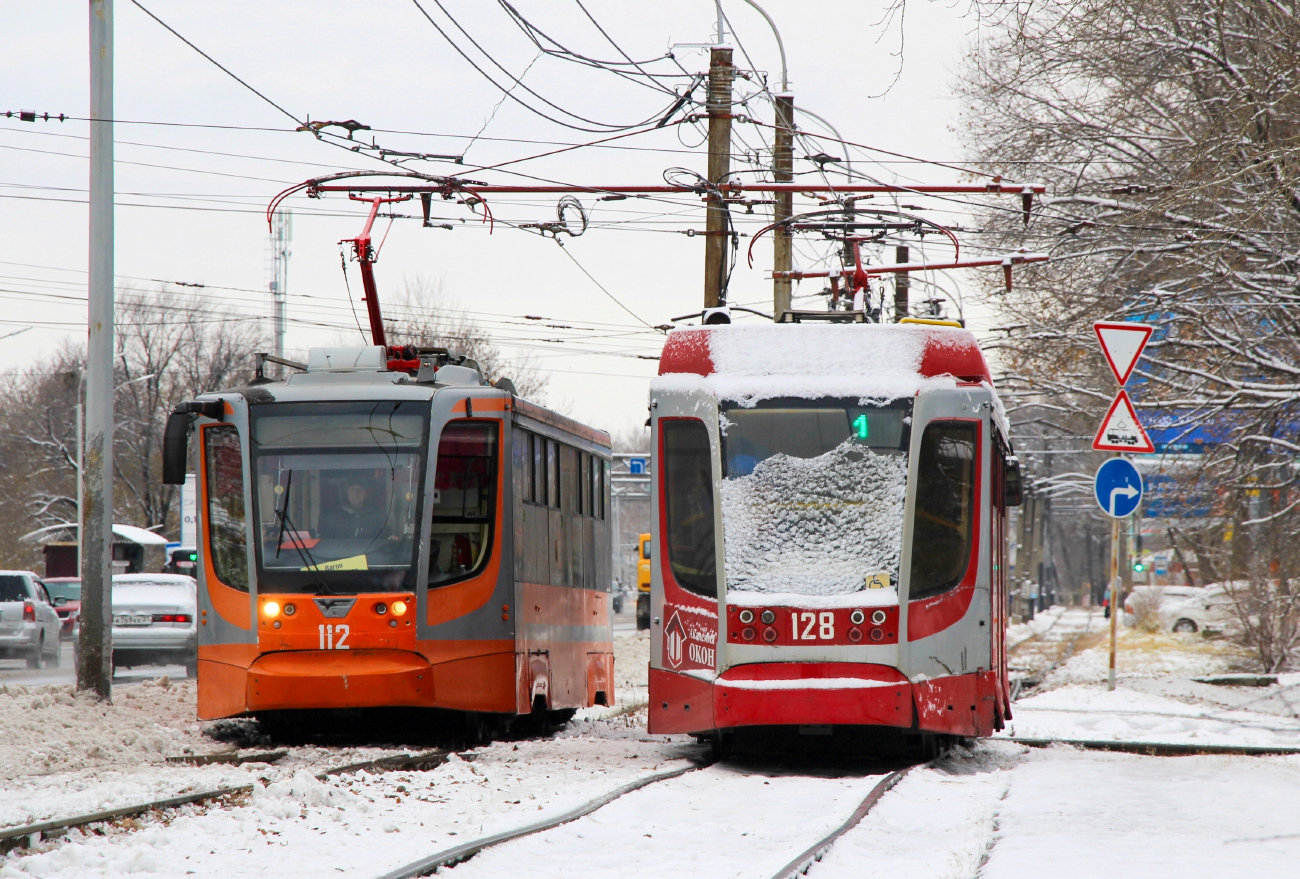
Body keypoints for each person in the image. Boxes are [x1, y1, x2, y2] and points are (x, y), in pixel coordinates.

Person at [319, 477, 387, 539]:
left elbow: (382, 540)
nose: (356, 493)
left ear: (366, 494)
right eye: (352, 489)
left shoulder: (376, 517)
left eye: (360, 489)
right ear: (346, 493)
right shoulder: (332, 517)